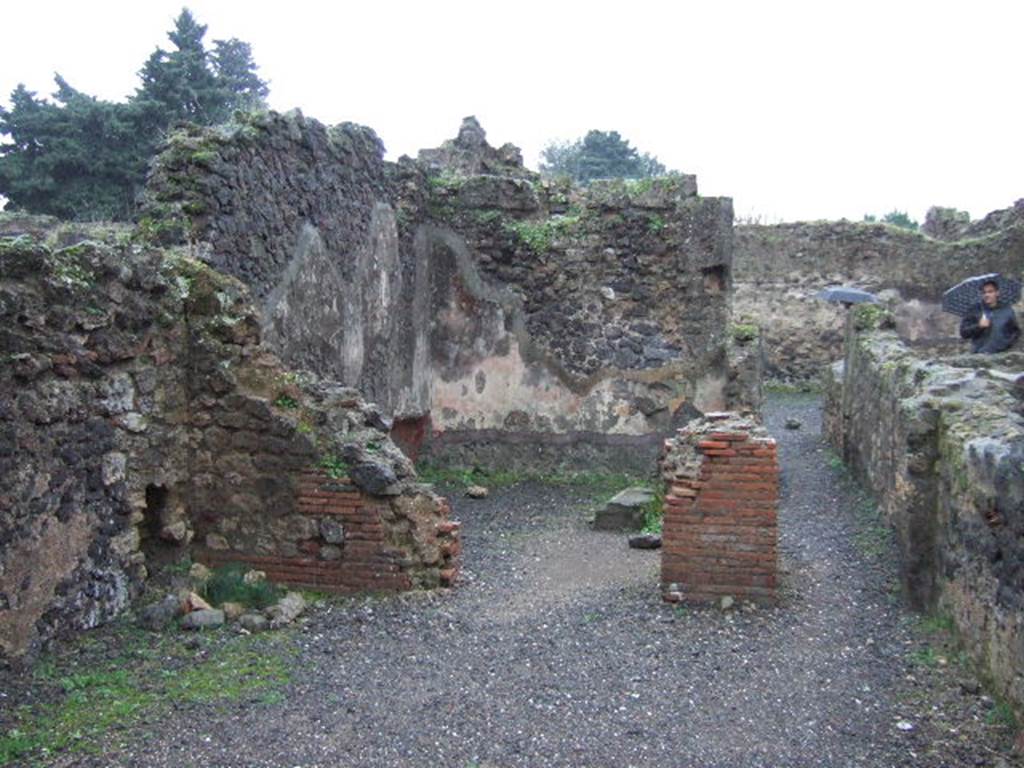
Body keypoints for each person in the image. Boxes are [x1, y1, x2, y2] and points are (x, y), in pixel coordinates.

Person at [959, 279, 1020, 353]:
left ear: (997, 293)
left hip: (1001, 354)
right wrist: (979, 326)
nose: (986, 295)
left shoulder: (1007, 310)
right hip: (979, 354)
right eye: (984, 292)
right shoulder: (974, 310)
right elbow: (964, 333)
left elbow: (1015, 332)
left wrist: (1004, 344)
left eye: (990, 292)